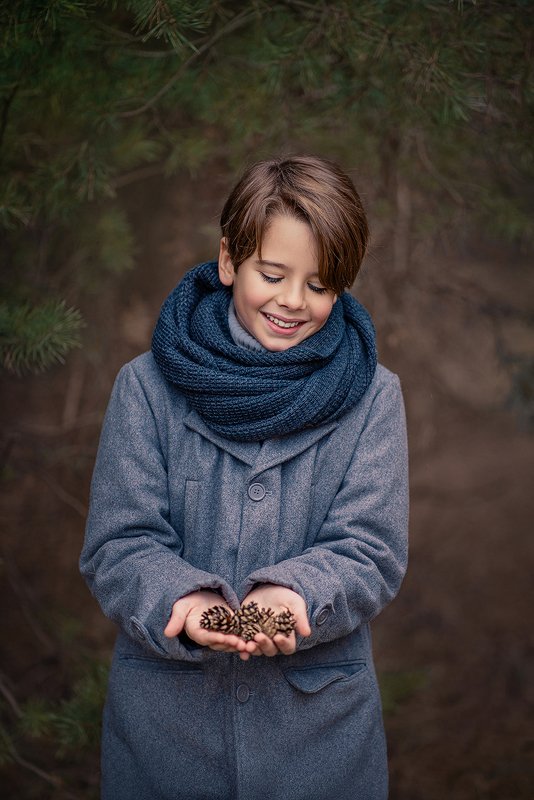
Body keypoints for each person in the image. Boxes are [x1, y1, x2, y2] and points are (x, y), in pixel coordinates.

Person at [80, 154, 409, 800]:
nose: (292, 301)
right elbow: (119, 545)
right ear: (230, 260)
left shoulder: (374, 397)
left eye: (318, 285)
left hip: (320, 740)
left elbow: (370, 549)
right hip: (166, 739)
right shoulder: (145, 389)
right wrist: (184, 602)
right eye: (273, 274)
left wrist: (293, 597)